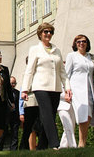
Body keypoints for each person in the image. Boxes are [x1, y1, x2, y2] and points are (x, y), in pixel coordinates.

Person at [21, 22, 71, 150]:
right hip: (40, 87)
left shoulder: (57, 50)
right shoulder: (34, 49)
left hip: (55, 88)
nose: (48, 34)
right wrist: (25, 89)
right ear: (40, 34)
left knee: (50, 115)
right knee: (47, 114)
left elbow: (62, 72)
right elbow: (29, 70)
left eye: (50, 32)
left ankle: (42, 146)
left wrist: (68, 88)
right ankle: (55, 144)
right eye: (46, 32)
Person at [65, 34, 94, 147]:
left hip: (89, 88)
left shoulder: (92, 57)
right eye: (79, 42)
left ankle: (83, 142)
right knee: (82, 114)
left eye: (84, 41)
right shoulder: (71, 56)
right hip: (76, 89)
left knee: (89, 115)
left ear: (87, 43)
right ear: (75, 44)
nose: (81, 43)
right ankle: (79, 143)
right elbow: (66, 74)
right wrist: (67, 90)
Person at [18, 57, 47, 150]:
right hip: (30, 102)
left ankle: (42, 146)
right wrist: (21, 111)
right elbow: (25, 90)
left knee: (42, 125)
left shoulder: (41, 73)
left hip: (40, 102)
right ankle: (25, 146)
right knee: (29, 127)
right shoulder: (27, 74)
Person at [0, 76, 20, 150]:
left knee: (15, 133)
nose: (13, 85)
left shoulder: (17, 92)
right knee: (3, 133)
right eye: (11, 83)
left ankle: (14, 149)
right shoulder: (3, 92)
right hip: (5, 115)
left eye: (14, 83)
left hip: (15, 115)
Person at [57, 69, 77, 148]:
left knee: (70, 126)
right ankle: (73, 146)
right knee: (68, 125)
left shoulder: (71, 80)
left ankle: (63, 146)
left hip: (72, 106)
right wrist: (65, 96)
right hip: (62, 106)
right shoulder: (57, 80)